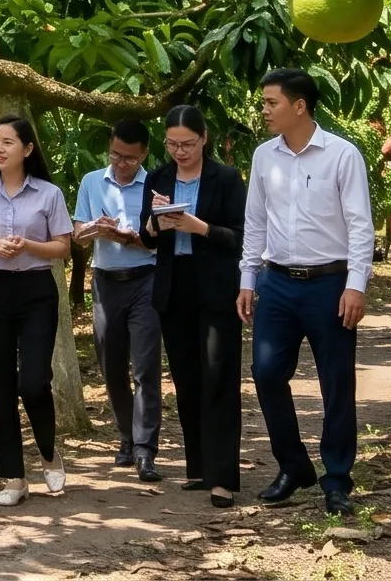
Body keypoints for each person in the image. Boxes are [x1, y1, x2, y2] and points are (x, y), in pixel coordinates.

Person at [240, 68, 375, 516]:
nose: (264, 111)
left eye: (271, 103)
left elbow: (360, 225)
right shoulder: (264, 156)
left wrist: (356, 285)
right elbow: (255, 221)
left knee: (336, 382)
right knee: (266, 373)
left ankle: (336, 478)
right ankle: (293, 465)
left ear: (299, 106)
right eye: (263, 103)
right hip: (277, 282)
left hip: (330, 284)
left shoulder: (341, 155)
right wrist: (248, 278)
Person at [0, 116, 75, 503]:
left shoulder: (48, 194)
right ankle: (13, 479)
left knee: (33, 382)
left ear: (27, 150)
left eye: (8, 142)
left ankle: (48, 454)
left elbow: (62, 248)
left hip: (37, 290)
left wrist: (28, 245)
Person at [143, 104, 248, 507]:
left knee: (219, 376)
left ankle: (223, 477)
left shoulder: (226, 178)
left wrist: (199, 227)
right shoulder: (159, 177)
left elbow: (240, 236)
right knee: (187, 382)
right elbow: (147, 236)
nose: (179, 151)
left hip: (217, 286)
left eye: (187, 143)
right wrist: (157, 223)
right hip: (175, 286)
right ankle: (200, 468)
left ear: (204, 139)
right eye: (172, 144)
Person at [74, 119, 164, 480]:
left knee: (145, 366)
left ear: (143, 153)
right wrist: (98, 229)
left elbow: (161, 240)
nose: (120, 162)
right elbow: (78, 235)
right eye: (115, 154)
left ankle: (145, 450)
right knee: (111, 365)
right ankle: (126, 435)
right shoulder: (92, 181)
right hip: (106, 283)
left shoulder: (156, 186)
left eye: (128, 157)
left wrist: (130, 238)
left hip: (146, 280)